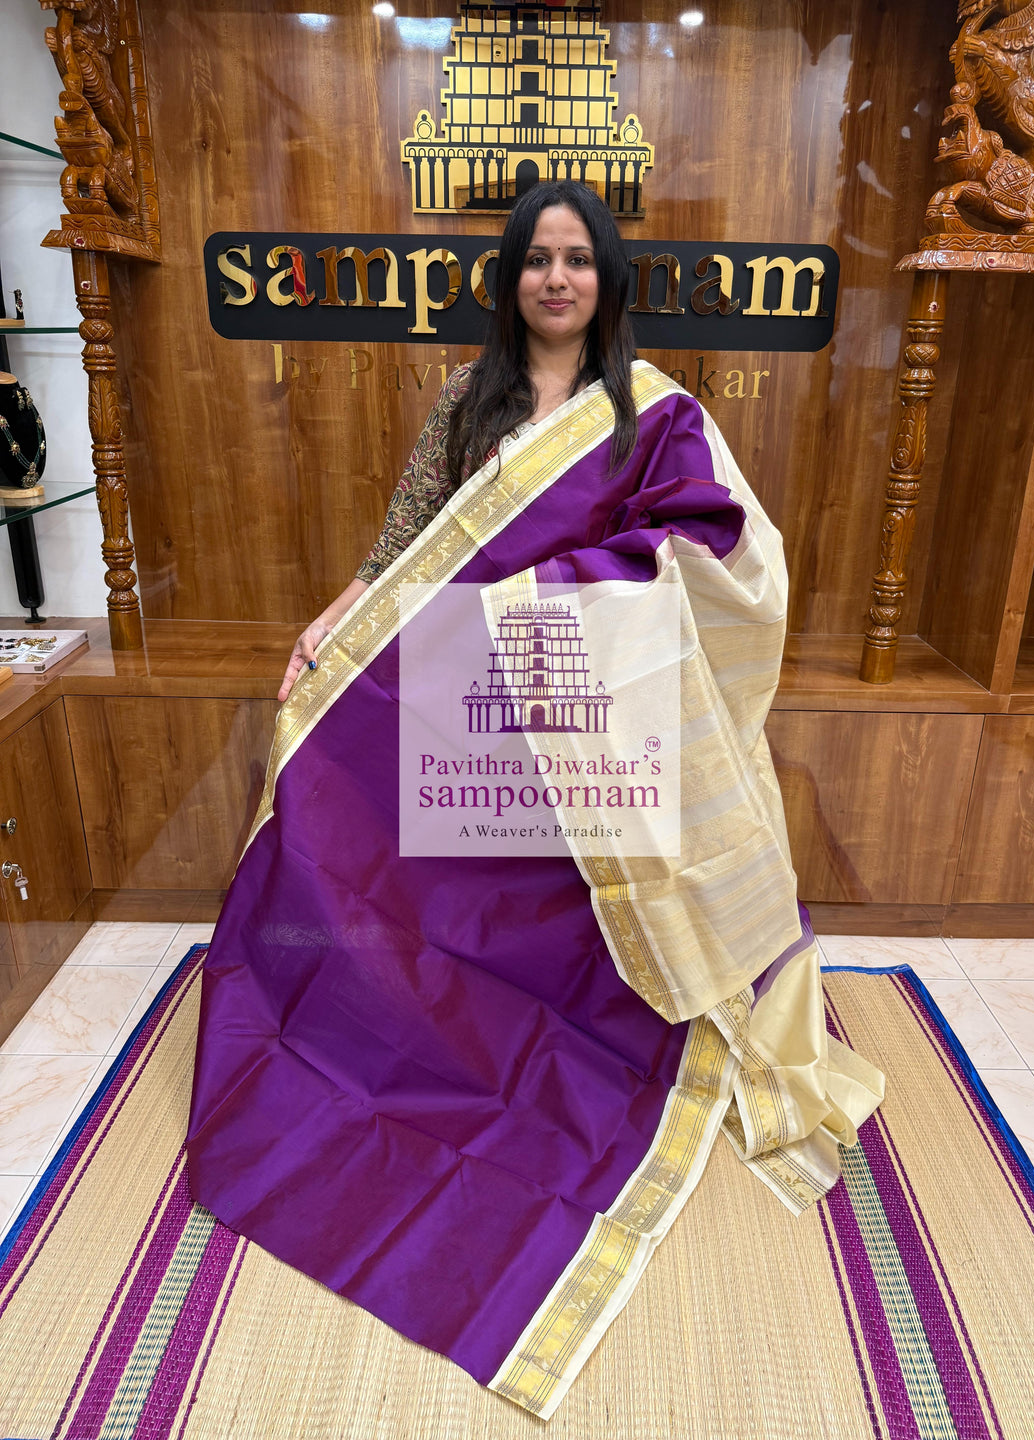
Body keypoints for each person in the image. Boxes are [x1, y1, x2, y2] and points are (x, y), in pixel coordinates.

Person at [187, 181, 884, 1421]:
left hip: (588, 704)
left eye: (577, 260)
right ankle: (404, 1016)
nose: (556, 279)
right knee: (355, 809)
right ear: (510, 280)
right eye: (536, 261)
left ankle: (609, 1033)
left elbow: (721, 550)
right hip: (471, 689)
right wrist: (340, 616)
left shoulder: (653, 409)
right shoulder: (470, 401)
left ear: (607, 280)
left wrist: (566, 580)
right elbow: (409, 541)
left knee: (579, 916)